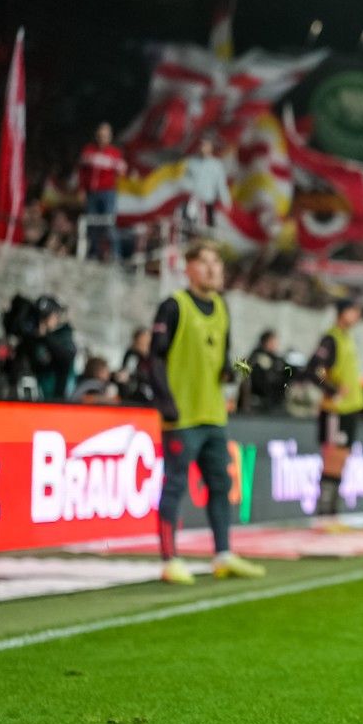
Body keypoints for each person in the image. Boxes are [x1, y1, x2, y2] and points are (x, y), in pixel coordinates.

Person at [146, 241, 264, 584]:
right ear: (189, 268)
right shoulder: (174, 306)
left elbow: (223, 357)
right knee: (175, 485)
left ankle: (223, 554)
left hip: (214, 414)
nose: (213, 269)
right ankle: (170, 560)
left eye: (217, 262)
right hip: (182, 416)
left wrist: (231, 373)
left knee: (220, 484)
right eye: (205, 262)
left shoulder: (222, 307)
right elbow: (154, 358)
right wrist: (165, 401)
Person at [303, 301, 363, 525]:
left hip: (349, 409)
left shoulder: (346, 337)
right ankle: (324, 514)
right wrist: (331, 389)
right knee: (332, 459)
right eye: (353, 311)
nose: (357, 315)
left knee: (341, 460)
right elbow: (314, 370)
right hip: (335, 410)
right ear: (342, 313)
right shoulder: (331, 339)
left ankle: (332, 514)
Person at [77, 121, 126, 262]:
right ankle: (93, 253)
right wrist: (81, 189)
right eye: (100, 135)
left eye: (105, 136)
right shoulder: (88, 151)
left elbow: (122, 173)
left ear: (110, 137)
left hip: (107, 193)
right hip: (91, 193)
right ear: (96, 135)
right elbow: (82, 172)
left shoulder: (115, 154)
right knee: (92, 224)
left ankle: (116, 254)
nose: (102, 138)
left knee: (109, 224)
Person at [181, 134, 227, 231]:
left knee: (209, 229)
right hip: (192, 201)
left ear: (211, 147)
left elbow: (221, 186)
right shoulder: (191, 162)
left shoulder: (217, 165)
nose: (203, 147)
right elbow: (184, 182)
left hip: (208, 202)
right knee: (188, 227)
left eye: (205, 145)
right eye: (201, 145)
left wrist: (226, 203)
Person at [242, 330, 289, 415]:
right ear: (265, 342)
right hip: (260, 401)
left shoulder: (277, 359)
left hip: (274, 401)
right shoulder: (256, 357)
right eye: (272, 342)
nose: (275, 344)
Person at [117, 327, 156, 405]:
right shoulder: (132, 354)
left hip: (150, 394)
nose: (144, 346)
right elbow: (127, 371)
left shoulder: (154, 357)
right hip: (133, 395)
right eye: (141, 343)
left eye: (146, 342)